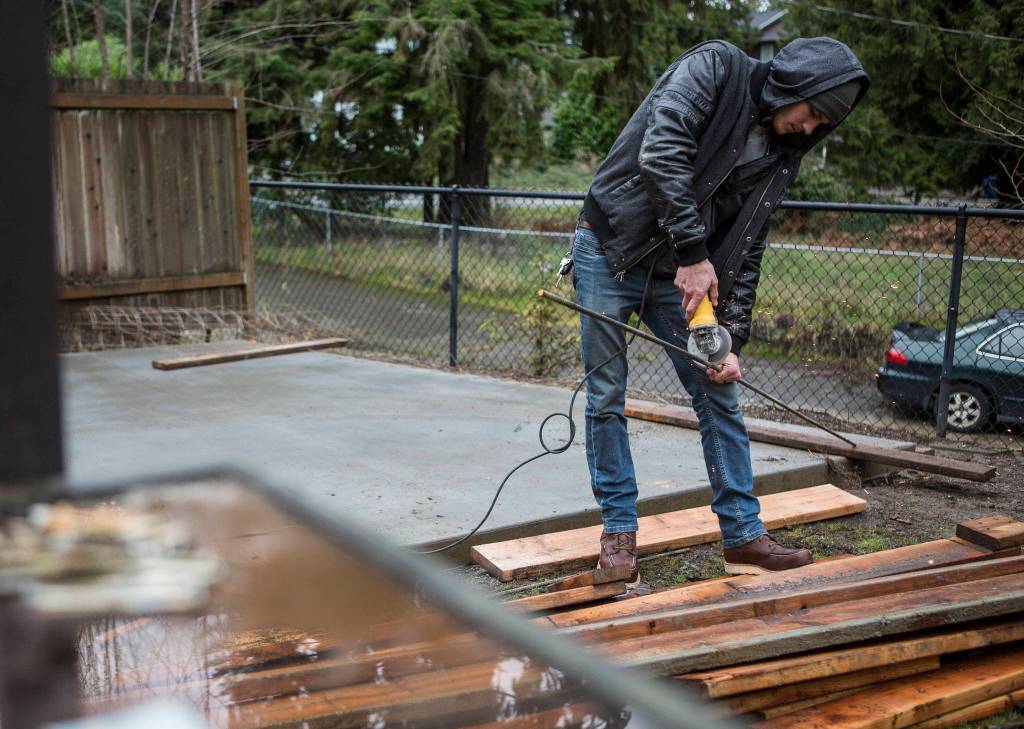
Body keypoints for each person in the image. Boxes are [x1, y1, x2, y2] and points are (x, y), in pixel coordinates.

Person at [570, 37, 869, 583]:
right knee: (606, 396)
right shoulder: (716, 68)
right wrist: (691, 254)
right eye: (812, 115)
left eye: (824, 125)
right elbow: (660, 153)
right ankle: (618, 535)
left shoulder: (782, 157)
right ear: (795, 85)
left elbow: (748, 246)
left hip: (682, 270)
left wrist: (730, 337)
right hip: (611, 247)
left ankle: (743, 536)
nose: (810, 130)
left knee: (719, 389)